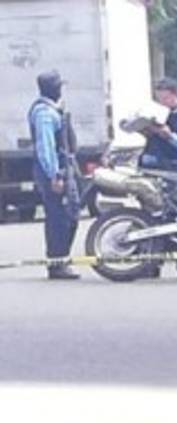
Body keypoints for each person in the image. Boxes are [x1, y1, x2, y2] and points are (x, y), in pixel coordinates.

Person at [28, 70, 81, 280]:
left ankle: (61, 259)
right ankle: (57, 262)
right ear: (53, 88)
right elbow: (46, 147)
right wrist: (54, 175)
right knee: (60, 217)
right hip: (55, 171)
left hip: (63, 167)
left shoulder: (54, 109)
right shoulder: (44, 113)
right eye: (59, 86)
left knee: (70, 213)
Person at [144, 76, 177, 277]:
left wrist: (170, 136)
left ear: (175, 96)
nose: (161, 103)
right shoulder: (155, 114)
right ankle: (152, 263)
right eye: (158, 98)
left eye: (164, 98)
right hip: (152, 167)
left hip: (176, 170)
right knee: (152, 216)